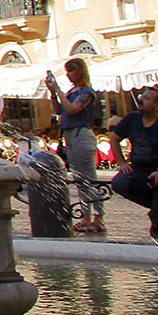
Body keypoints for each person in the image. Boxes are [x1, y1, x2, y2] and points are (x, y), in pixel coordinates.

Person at [110, 87, 158, 241]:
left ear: (157, 105)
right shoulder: (132, 119)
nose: (141, 100)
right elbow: (114, 138)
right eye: (141, 97)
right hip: (140, 167)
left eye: (146, 99)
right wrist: (121, 162)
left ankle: (157, 222)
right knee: (118, 183)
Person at [44, 58, 106, 233]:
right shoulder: (71, 92)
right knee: (80, 179)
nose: (68, 75)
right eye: (67, 71)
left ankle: (99, 217)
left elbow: (72, 109)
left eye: (71, 71)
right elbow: (59, 110)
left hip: (81, 135)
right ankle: (86, 216)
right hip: (70, 136)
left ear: (81, 72)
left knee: (89, 178)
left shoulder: (87, 92)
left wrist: (58, 90)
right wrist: (53, 94)